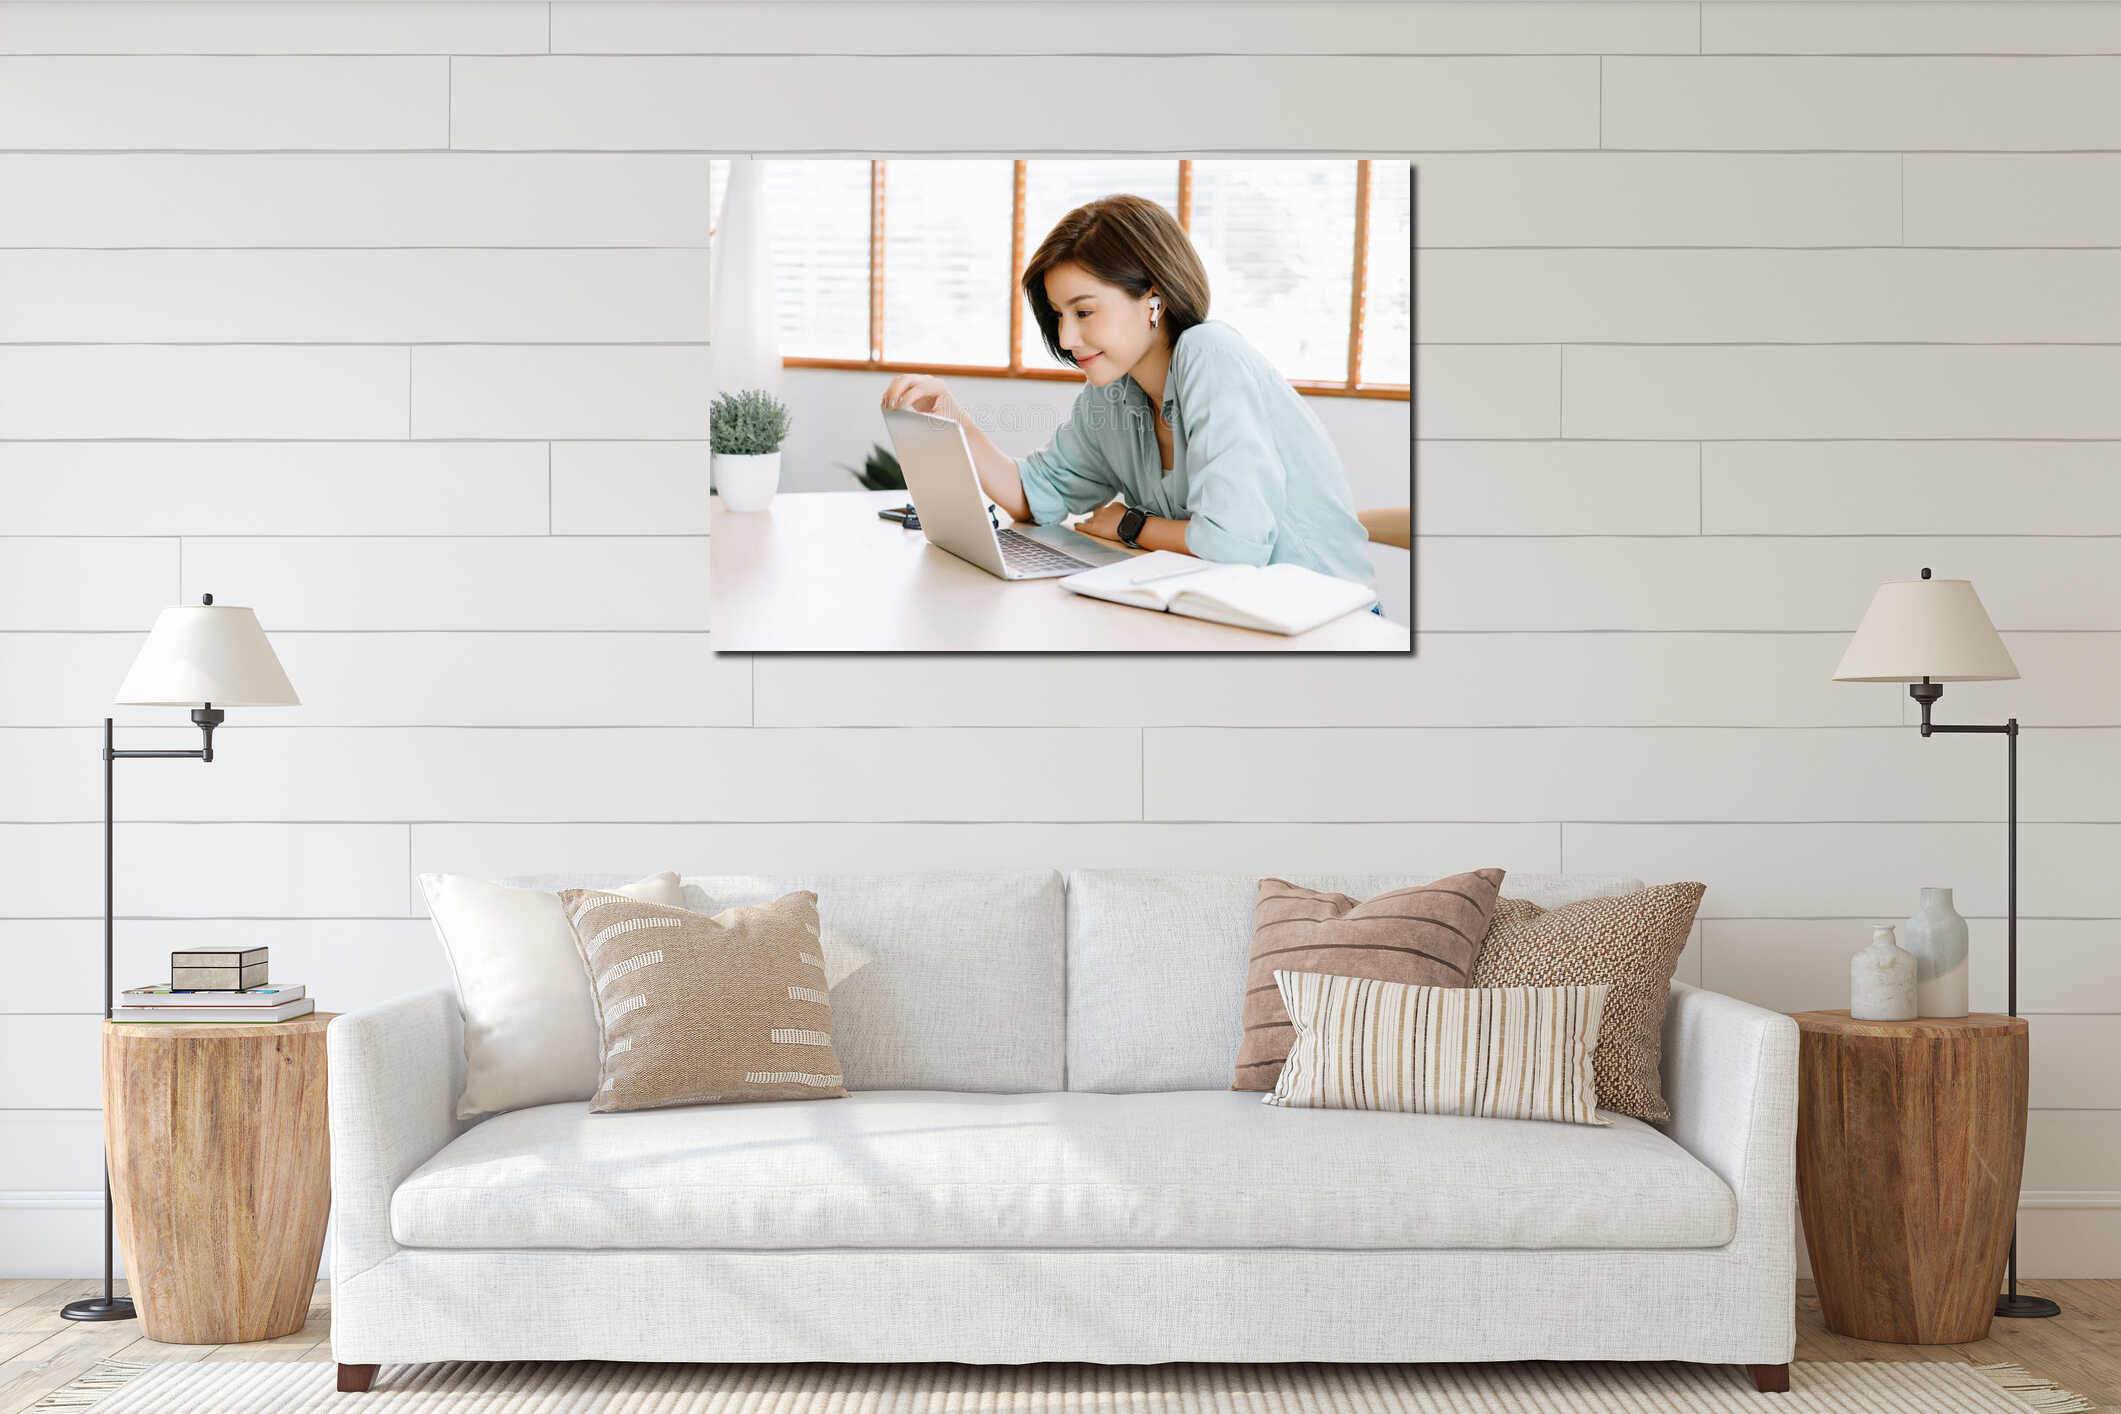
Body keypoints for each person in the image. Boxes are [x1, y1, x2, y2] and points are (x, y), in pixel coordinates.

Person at [879, 194, 1381, 605]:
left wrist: (1131, 524)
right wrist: (954, 417)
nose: (1068, 338)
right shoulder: (1114, 391)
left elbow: (1232, 547)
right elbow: (1037, 496)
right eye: (1058, 315)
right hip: (1224, 613)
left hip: (1326, 620)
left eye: (1085, 311)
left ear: (1154, 300)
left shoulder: (1211, 354)